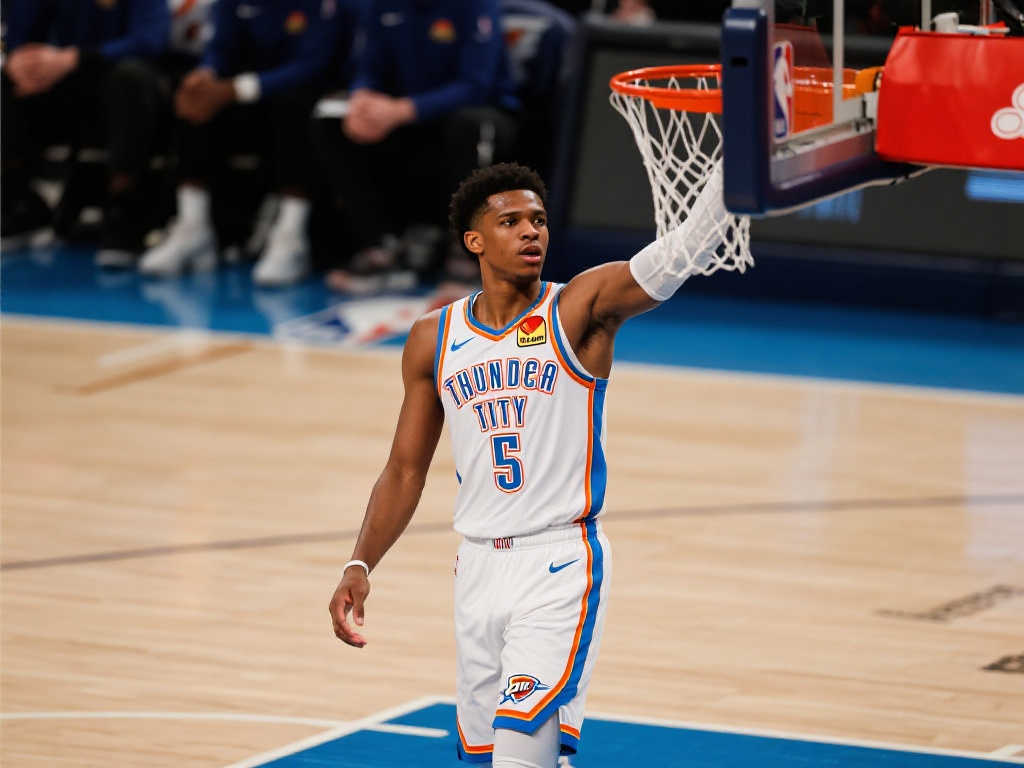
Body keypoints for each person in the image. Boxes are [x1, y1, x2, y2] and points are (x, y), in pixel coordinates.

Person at [328, 161, 730, 767]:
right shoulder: (434, 338)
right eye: (510, 221)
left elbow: (681, 255)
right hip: (477, 569)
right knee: (497, 758)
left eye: (538, 220)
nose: (530, 231)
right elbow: (405, 470)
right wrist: (360, 563)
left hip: (558, 563)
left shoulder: (578, 307)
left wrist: (734, 172)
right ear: (474, 240)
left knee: (519, 756)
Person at [139, 0, 353, 285]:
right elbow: (220, 48)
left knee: (296, 105)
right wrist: (205, 74)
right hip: (244, 94)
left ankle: (291, 237)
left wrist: (236, 89)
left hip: (297, 94)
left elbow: (314, 65)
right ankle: (193, 227)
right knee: (195, 102)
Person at [313, 0, 520, 295]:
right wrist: (362, 98)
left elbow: (476, 85)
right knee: (331, 118)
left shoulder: (477, 6)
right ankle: (381, 245)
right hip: (406, 114)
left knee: (470, 124)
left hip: (476, 112)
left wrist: (402, 110)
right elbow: (368, 67)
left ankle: (468, 253)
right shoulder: (381, 6)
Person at [1, 0, 169, 262]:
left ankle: (124, 208)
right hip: (64, 79)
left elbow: (150, 41)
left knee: (130, 79)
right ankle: (20, 203)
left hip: (122, 78)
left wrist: (75, 58)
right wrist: (20, 62)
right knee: (8, 80)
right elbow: (21, 35)